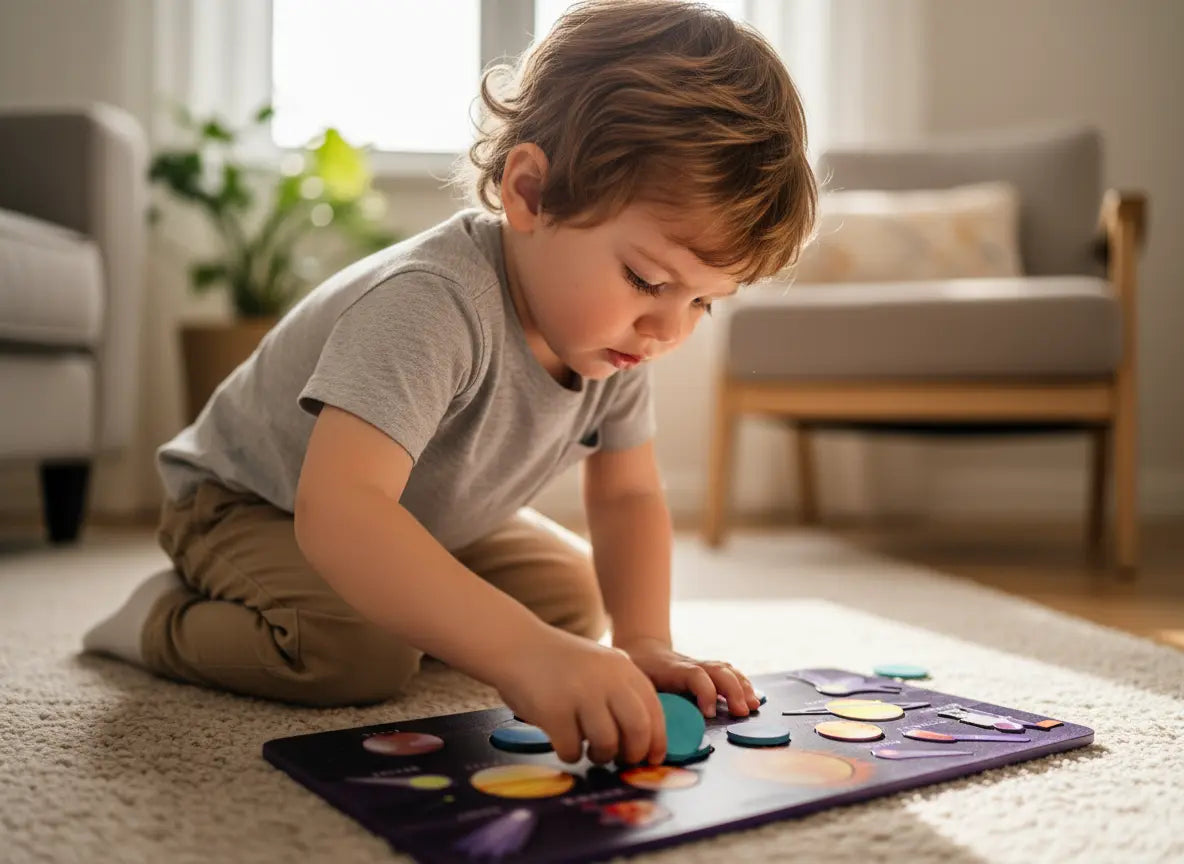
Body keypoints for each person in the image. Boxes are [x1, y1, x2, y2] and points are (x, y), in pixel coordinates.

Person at [83, 0, 816, 767]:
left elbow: (628, 495)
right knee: (355, 653)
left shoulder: (614, 341)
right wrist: (522, 654)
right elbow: (340, 510)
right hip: (248, 503)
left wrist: (643, 641)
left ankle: (408, 599)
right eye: (647, 280)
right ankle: (155, 621)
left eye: (703, 302)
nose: (669, 330)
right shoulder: (431, 303)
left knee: (571, 600)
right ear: (530, 193)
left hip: (416, 514)